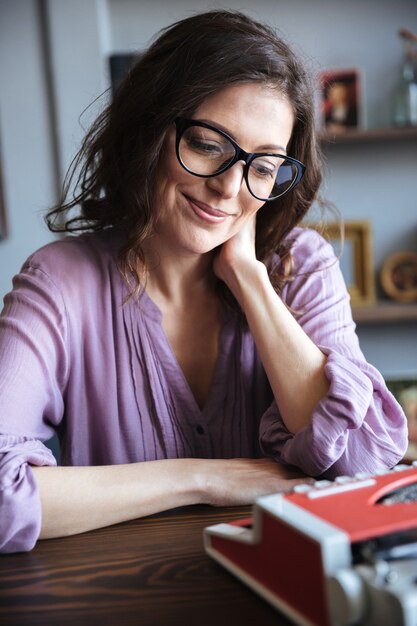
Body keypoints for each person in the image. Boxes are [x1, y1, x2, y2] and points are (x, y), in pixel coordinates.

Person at [0, 10, 407, 554]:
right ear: (149, 131)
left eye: (262, 166)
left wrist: (248, 278)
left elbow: (361, 460)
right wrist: (205, 479)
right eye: (209, 144)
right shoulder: (61, 283)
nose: (228, 187)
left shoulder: (302, 265)